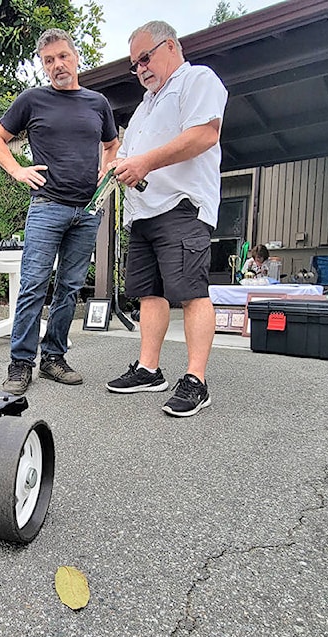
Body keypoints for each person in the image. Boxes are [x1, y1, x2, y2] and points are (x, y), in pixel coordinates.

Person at [105, 21, 227, 418]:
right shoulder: (144, 106)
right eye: (134, 63)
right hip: (143, 212)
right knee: (148, 293)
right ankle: (148, 368)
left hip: (181, 205)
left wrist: (142, 162)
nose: (140, 68)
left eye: (145, 57)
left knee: (192, 292)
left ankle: (196, 380)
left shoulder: (196, 79)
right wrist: (120, 164)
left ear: (170, 46)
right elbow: (135, 154)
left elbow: (204, 135)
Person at [0, 28, 119, 395]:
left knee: (70, 287)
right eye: (49, 60)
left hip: (88, 210)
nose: (57, 65)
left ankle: (53, 358)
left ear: (75, 57)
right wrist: (16, 170)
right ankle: (19, 364)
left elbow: (111, 143)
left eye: (62, 56)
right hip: (47, 206)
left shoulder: (98, 103)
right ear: (43, 66)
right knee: (33, 284)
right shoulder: (32, 100)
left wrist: (106, 167)